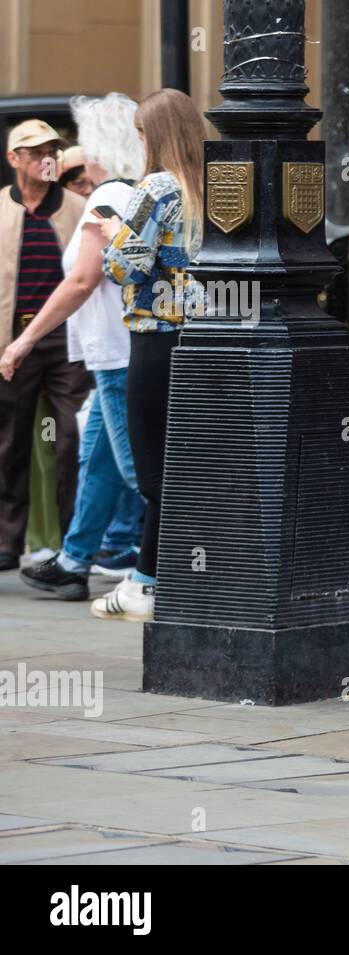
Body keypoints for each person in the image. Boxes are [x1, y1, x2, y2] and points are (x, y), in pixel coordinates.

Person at [2, 94, 146, 601]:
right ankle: (75, 559)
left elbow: (81, 280)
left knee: (136, 468)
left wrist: (24, 340)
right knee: (99, 459)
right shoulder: (132, 192)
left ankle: (161, 569)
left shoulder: (106, 197)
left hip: (114, 352)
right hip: (114, 350)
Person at [94, 88, 206, 621]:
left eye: (141, 132)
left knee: (154, 470)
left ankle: (145, 582)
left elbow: (122, 267)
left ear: (154, 135)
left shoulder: (155, 188)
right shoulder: (217, 185)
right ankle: (181, 576)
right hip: (206, 341)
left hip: (157, 341)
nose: (138, 141)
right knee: (193, 464)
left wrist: (115, 236)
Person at [0, 119, 91, 573]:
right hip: (10, 338)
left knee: (70, 438)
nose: (46, 158)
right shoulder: (0, 209)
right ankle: (6, 541)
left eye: (53, 150)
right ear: (14, 159)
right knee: (9, 440)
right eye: (35, 152)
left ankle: (71, 548)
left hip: (67, 338)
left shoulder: (79, 207)